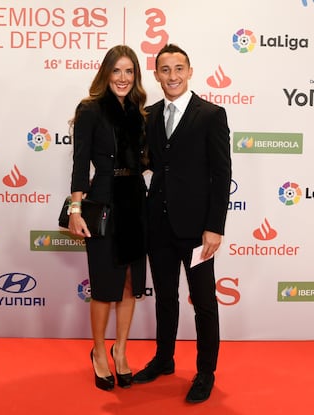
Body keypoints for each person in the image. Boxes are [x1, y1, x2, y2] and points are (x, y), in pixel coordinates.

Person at [132, 44, 232, 404]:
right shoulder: (149, 114)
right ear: (156, 75)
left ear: (190, 72)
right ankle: (164, 359)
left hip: (197, 230)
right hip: (157, 224)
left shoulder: (211, 115)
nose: (172, 76)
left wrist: (215, 226)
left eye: (178, 69)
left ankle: (205, 371)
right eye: (165, 70)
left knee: (204, 301)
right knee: (166, 299)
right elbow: (146, 162)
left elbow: (222, 175)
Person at [68, 45, 148, 391]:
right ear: (106, 73)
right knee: (103, 287)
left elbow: (147, 161)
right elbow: (79, 162)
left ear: (136, 77)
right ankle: (99, 352)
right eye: (117, 71)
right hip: (102, 201)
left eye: (129, 72)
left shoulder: (139, 112)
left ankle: (121, 350)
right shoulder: (90, 110)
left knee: (130, 284)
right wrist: (75, 209)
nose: (123, 78)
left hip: (135, 203)